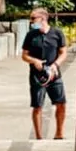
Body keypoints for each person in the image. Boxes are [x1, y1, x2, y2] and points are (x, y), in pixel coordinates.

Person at [22, 8, 68, 140]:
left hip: (54, 74)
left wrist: (55, 65)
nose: (31, 22)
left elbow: (63, 52)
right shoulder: (31, 35)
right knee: (37, 106)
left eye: (33, 19)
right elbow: (24, 56)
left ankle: (59, 133)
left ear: (43, 19)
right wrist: (34, 60)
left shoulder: (57, 33)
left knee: (61, 103)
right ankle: (39, 137)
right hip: (37, 75)